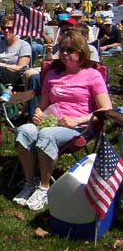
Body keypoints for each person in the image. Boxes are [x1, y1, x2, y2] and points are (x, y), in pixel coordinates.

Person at [12, 31, 112, 211]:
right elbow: (42, 104)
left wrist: (77, 120)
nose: (64, 53)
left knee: (46, 135)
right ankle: (29, 183)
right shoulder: (53, 74)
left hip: (79, 127)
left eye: (70, 50)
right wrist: (37, 112)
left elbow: (105, 109)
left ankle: (44, 187)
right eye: (62, 49)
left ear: (81, 53)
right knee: (25, 130)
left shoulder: (92, 75)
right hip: (51, 121)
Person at [0, 16, 32, 86]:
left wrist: (1, 64)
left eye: (9, 28)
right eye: (3, 28)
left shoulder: (24, 46)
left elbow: (21, 68)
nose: (6, 30)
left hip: (16, 79)